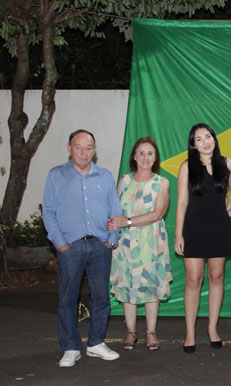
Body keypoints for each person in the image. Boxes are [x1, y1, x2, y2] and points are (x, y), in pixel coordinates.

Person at [42, 129, 121, 367]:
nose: (83, 152)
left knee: (100, 297)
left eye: (88, 148)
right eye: (78, 147)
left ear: (94, 151)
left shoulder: (105, 176)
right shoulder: (56, 176)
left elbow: (115, 211)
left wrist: (111, 239)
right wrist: (60, 244)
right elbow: (48, 212)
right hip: (70, 247)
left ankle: (96, 342)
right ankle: (70, 346)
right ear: (69, 148)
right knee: (68, 299)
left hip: (100, 246)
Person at [174, 123, 231, 353]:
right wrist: (178, 234)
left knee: (217, 276)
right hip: (194, 227)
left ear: (214, 138)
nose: (205, 141)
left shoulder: (228, 163)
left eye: (207, 136)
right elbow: (181, 202)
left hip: (219, 227)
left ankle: (212, 328)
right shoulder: (187, 167)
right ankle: (190, 332)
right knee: (193, 280)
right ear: (193, 145)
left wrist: (230, 209)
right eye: (199, 139)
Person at [108, 137, 172, 352]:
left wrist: (126, 221)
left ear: (156, 158)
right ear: (134, 156)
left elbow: (157, 214)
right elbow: (115, 210)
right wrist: (112, 226)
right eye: (141, 153)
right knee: (127, 285)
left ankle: (151, 333)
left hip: (151, 242)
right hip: (126, 242)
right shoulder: (124, 181)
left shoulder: (162, 183)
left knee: (151, 286)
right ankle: (130, 331)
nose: (146, 157)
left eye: (150, 153)